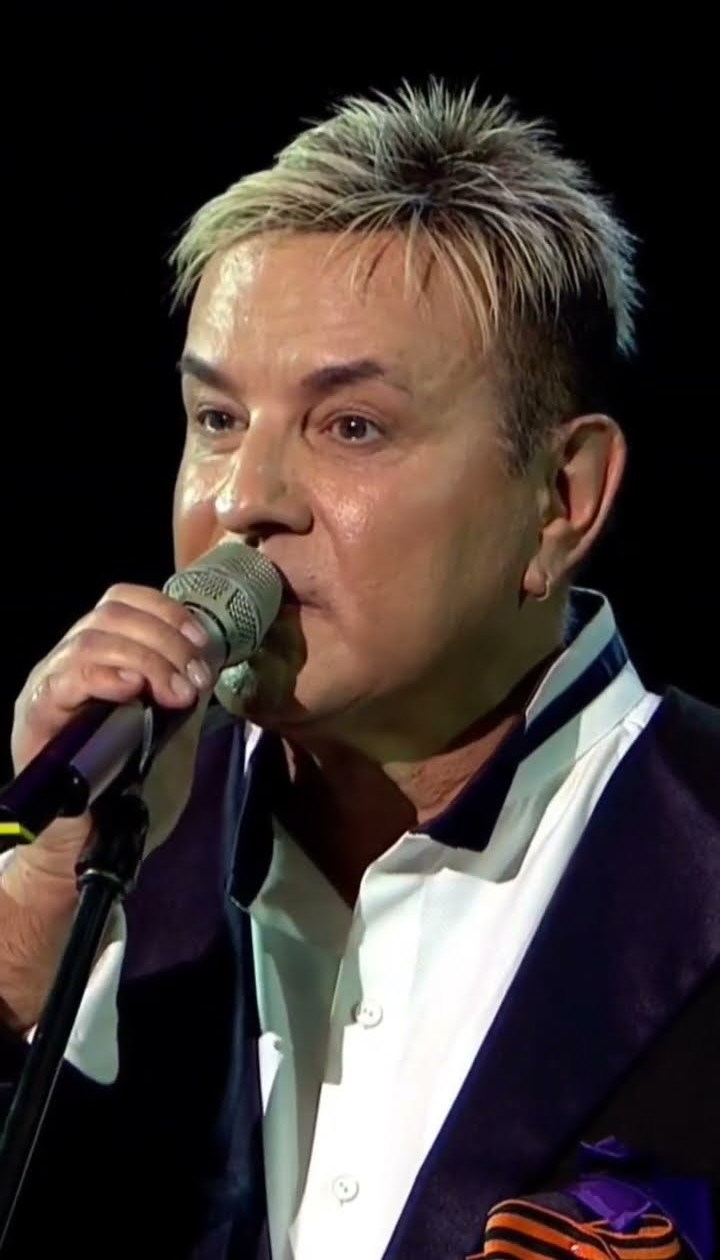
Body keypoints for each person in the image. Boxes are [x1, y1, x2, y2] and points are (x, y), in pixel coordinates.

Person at [0, 80, 718, 1260]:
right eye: (217, 418)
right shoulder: (115, 867)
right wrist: (41, 910)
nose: (244, 500)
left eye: (352, 427)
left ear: (561, 498)